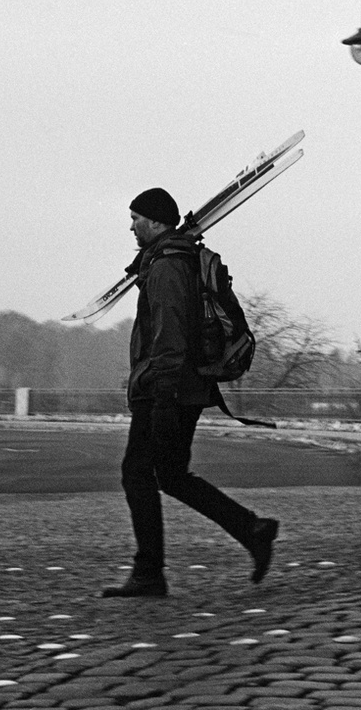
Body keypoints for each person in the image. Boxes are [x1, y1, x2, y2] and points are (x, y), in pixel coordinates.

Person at [103, 188, 278, 598]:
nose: (131, 226)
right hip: (188, 387)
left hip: (168, 389)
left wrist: (162, 397)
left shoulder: (166, 268)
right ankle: (252, 529)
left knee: (136, 472)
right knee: (172, 475)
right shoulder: (174, 259)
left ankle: (149, 573)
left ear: (157, 222)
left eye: (136, 219)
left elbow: (170, 335)